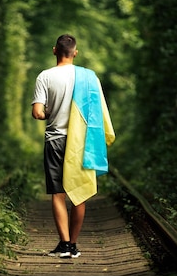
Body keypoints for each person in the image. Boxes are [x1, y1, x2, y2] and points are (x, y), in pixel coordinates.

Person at [31, 34, 115, 258]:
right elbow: (98, 111)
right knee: (80, 194)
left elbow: (37, 112)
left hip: (56, 140)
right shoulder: (89, 77)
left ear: (54, 51)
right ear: (75, 53)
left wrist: (50, 111)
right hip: (83, 142)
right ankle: (74, 245)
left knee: (58, 194)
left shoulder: (45, 76)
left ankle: (64, 244)